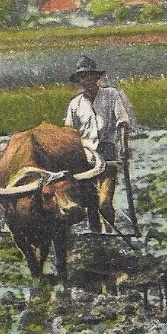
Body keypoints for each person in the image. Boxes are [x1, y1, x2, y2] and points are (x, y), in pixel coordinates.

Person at [64, 56, 135, 233]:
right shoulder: (75, 104)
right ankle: (97, 238)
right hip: (85, 157)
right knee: (91, 205)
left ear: (96, 77)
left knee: (104, 203)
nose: (86, 80)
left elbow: (122, 121)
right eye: (82, 77)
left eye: (89, 76)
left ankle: (109, 234)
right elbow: (69, 133)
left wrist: (124, 147)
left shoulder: (111, 95)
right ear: (79, 81)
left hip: (107, 152)